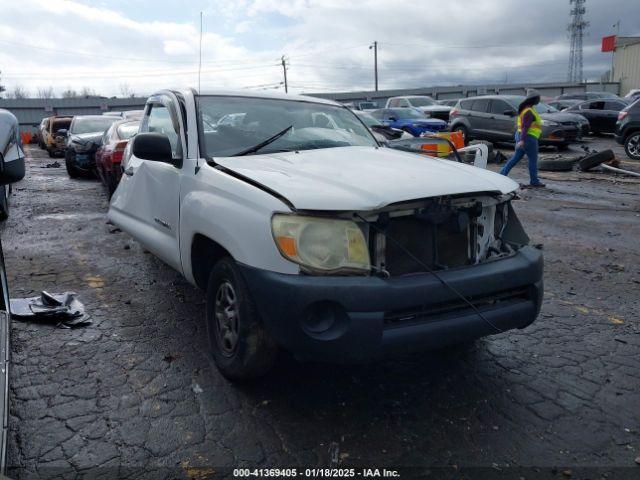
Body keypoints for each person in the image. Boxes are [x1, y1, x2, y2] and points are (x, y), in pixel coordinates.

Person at [500, 90, 545, 188]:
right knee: (533, 160)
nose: (539, 100)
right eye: (538, 98)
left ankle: (501, 175)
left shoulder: (527, 109)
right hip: (528, 138)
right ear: (534, 99)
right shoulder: (528, 111)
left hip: (522, 136)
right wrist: (522, 140)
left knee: (515, 158)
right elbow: (525, 127)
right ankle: (534, 181)